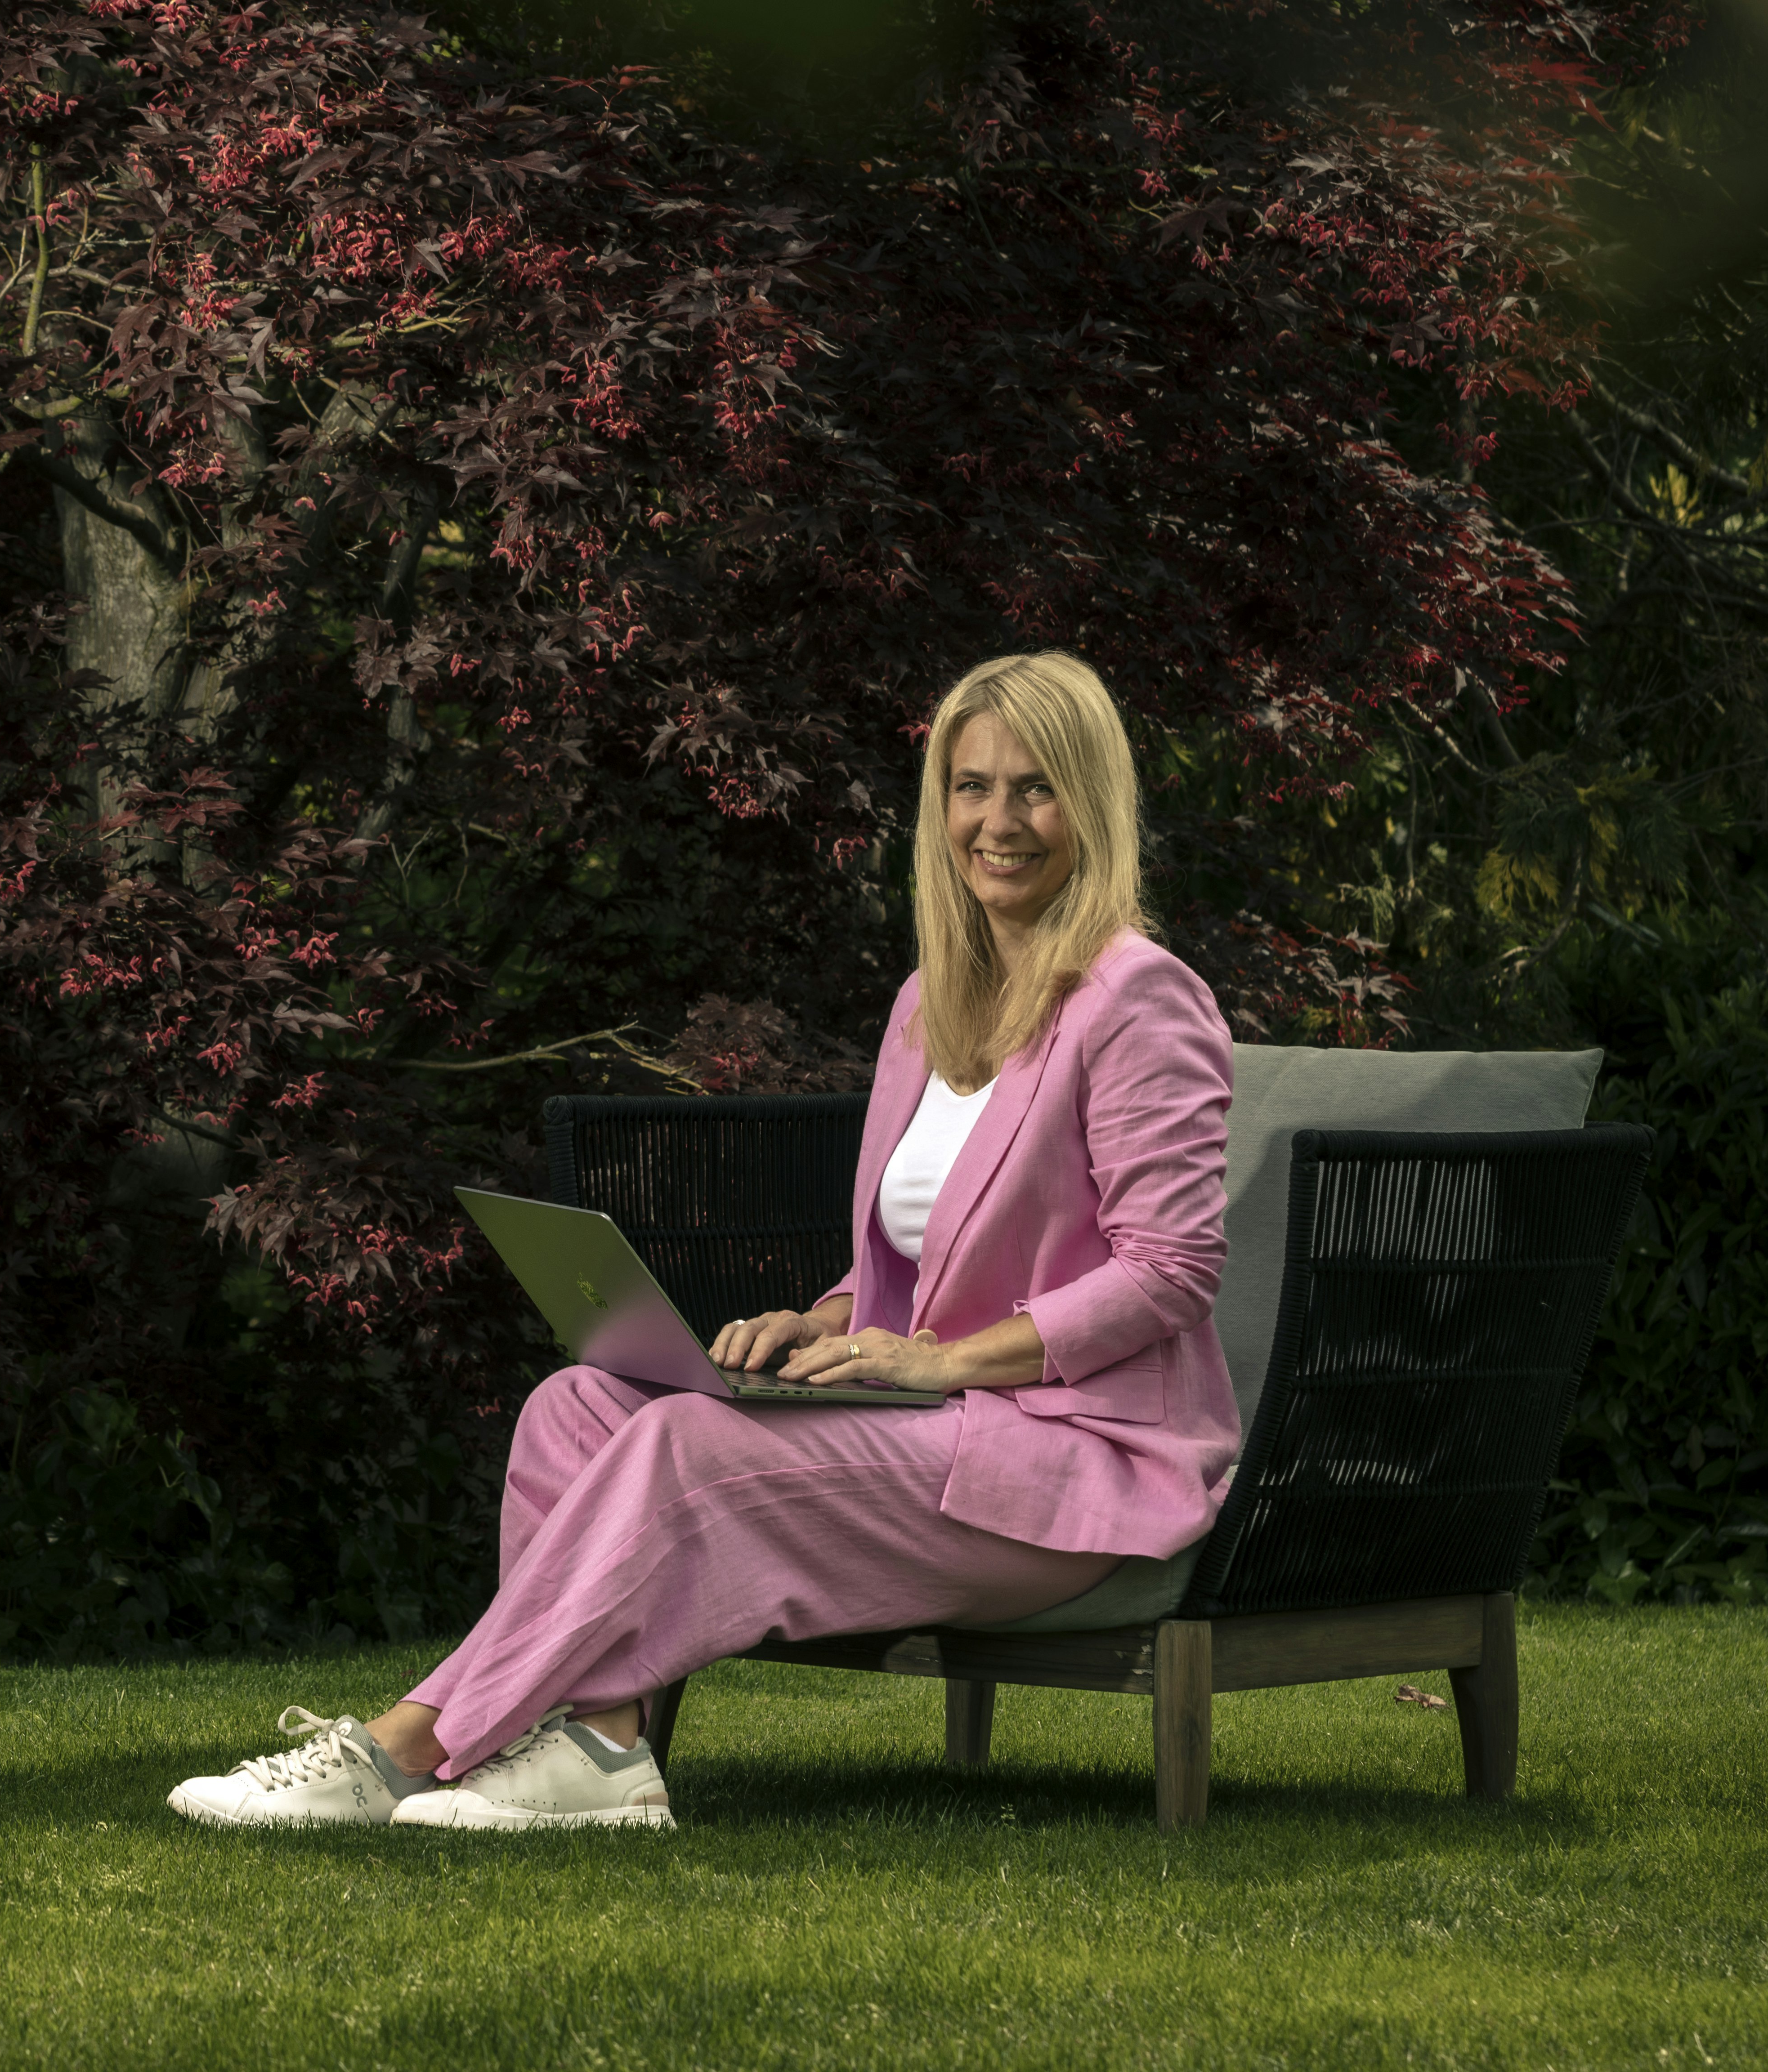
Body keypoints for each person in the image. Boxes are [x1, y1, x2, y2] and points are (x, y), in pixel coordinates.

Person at [167, 652, 1240, 1831]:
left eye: (1035, 789)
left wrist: (935, 1363)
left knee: (682, 1440)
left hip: (1067, 1463)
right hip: (924, 1426)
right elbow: (912, 1259)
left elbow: (1169, 1271)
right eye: (971, 787)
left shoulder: (1142, 998)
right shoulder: (931, 1001)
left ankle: (405, 1744)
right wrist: (824, 1322)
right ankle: (601, 1751)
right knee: (576, 1407)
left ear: (1091, 803)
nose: (999, 821)